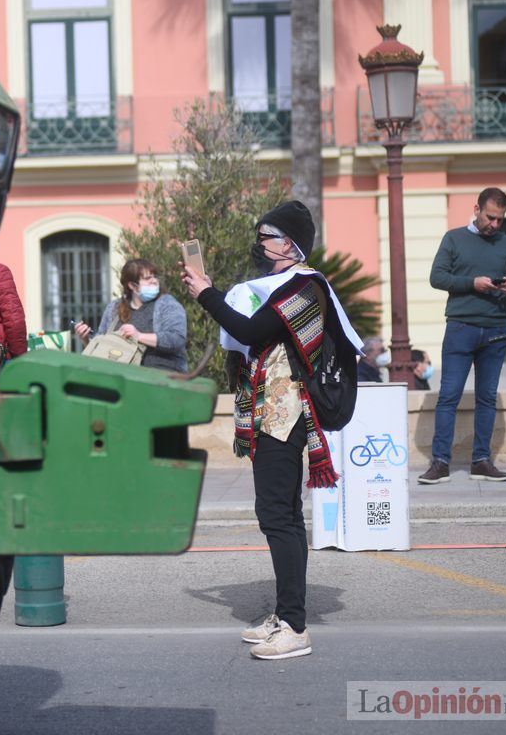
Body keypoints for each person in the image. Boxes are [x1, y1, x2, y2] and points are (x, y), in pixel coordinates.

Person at [182, 200, 362, 660]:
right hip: (268, 414)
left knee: (278, 516)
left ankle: (295, 625)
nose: (259, 243)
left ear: (291, 245)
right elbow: (249, 333)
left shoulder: (305, 287)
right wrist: (212, 291)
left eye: (268, 236)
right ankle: (285, 615)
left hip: (286, 416)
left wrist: (206, 292)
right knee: (278, 514)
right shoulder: (283, 286)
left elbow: (249, 327)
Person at [420, 187, 506, 485]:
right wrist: (472, 283)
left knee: (487, 397)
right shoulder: (453, 238)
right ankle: (440, 462)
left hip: (497, 330)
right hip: (461, 328)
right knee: (448, 396)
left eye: (500, 220)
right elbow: (436, 277)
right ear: (476, 208)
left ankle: (481, 460)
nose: (495, 224)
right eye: (490, 217)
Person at [75, 258, 188, 372]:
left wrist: (139, 336)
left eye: (155, 276)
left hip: (160, 375)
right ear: (132, 286)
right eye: (148, 278)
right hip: (119, 375)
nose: (154, 281)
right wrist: (86, 339)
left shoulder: (167, 304)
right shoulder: (114, 308)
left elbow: (176, 339)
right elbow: (102, 346)